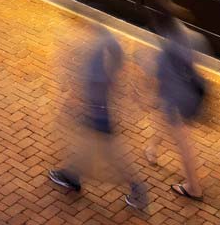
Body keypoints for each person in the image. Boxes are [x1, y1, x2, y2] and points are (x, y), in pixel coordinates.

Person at [48, 20, 148, 211]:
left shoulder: (97, 52)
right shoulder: (111, 42)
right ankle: (72, 174)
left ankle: (138, 188)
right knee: (89, 145)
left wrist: (75, 102)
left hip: (99, 111)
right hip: (102, 109)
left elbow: (93, 84)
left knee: (112, 154)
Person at [145, 0, 209, 201]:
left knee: (183, 141)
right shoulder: (181, 30)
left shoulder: (170, 44)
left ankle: (193, 186)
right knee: (167, 118)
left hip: (179, 96)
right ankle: (152, 149)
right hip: (186, 92)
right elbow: (199, 47)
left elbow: (160, 73)